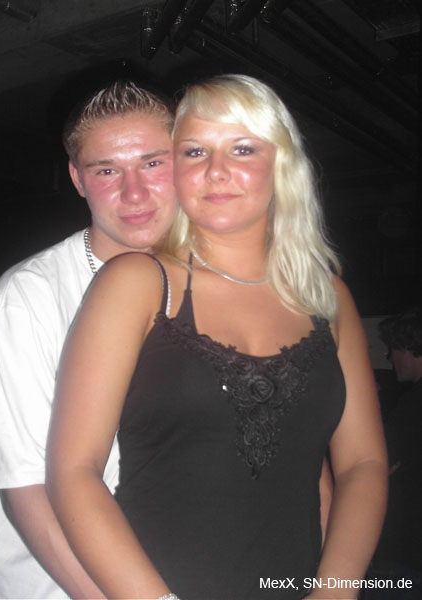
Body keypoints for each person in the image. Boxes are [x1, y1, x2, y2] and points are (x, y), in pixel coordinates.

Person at [46, 74, 388, 599]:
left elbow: (363, 463)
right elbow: (73, 473)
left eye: (242, 148)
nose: (216, 170)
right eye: (195, 151)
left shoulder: (328, 297)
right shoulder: (136, 284)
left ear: (282, 163)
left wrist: (335, 590)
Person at [0, 80, 178, 599]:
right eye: (106, 171)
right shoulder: (29, 296)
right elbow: (27, 490)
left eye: (153, 163)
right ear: (77, 179)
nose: (134, 192)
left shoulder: (216, 285)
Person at [364, 308, 422, 598]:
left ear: (409, 347)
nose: (389, 357)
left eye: (393, 349)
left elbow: (374, 466)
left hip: (402, 555)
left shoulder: (413, 406)